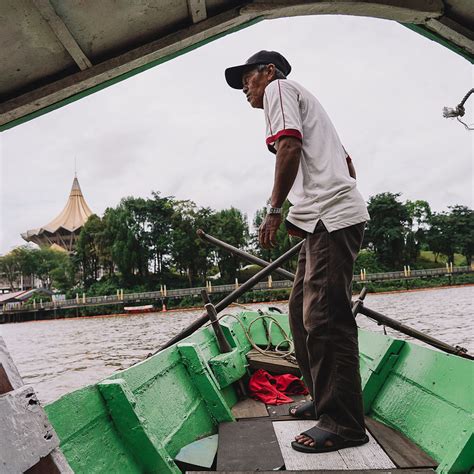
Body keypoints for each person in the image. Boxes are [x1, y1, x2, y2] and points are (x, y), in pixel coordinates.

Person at [225, 51, 370, 453]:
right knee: (299, 312)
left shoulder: (279, 89)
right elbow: (348, 168)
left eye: (247, 80)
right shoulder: (306, 102)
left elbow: (288, 146)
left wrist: (274, 211)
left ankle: (343, 423)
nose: (245, 90)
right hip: (318, 222)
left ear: (268, 71)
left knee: (324, 317)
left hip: (331, 218)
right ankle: (324, 400)